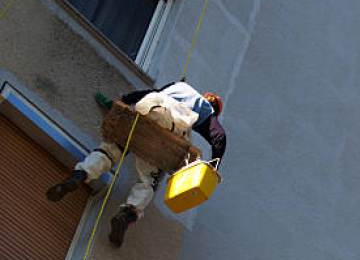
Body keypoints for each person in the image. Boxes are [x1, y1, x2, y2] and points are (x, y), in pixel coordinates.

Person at [47, 82, 227, 247]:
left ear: (205, 95)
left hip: (151, 106)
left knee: (113, 149)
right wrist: (213, 166)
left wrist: (124, 99)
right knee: (150, 177)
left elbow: (151, 92)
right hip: (175, 126)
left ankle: (81, 174)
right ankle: (128, 213)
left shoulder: (179, 85)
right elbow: (219, 137)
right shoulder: (205, 110)